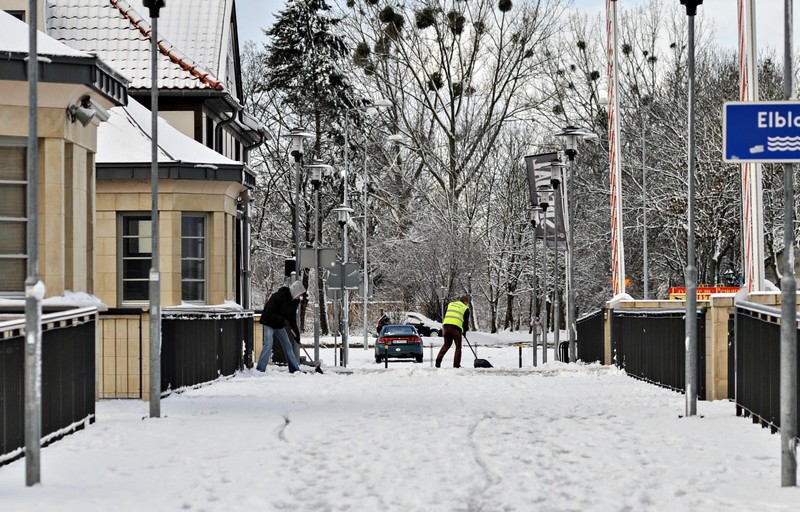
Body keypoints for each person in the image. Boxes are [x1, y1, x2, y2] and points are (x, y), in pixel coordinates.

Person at [256, 281, 305, 373]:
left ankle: (294, 369)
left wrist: (297, 335)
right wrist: (282, 319)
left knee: (288, 345)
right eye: (299, 294)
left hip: (279, 325)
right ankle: (260, 369)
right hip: (269, 323)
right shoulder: (278, 296)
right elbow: (268, 312)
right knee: (268, 344)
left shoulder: (295, 302)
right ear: (295, 291)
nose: (300, 297)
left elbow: (292, 319)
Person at [435, 295, 470, 368]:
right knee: (458, 347)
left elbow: (446, 314)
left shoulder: (450, 304)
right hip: (456, 328)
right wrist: (465, 331)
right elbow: (465, 322)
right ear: (465, 302)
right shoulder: (465, 308)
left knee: (447, 344)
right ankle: (456, 365)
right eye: (467, 302)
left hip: (446, 326)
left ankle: (438, 359)